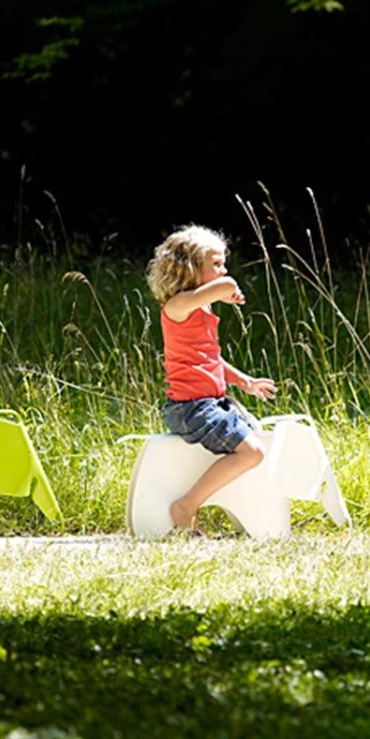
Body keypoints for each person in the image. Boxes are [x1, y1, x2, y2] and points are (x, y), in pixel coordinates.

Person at [147, 225, 277, 534]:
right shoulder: (177, 306)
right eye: (215, 264)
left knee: (259, 439)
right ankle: (186, 507)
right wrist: (227, 288)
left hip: (210, 404)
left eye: (223, 263)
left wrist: (244, 381)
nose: (224, 270)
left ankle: (243, 512)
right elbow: (228, 284)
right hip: (191, 408)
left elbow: (208, 358)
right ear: (189, 269)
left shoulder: (200, 308)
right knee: (252, 452)